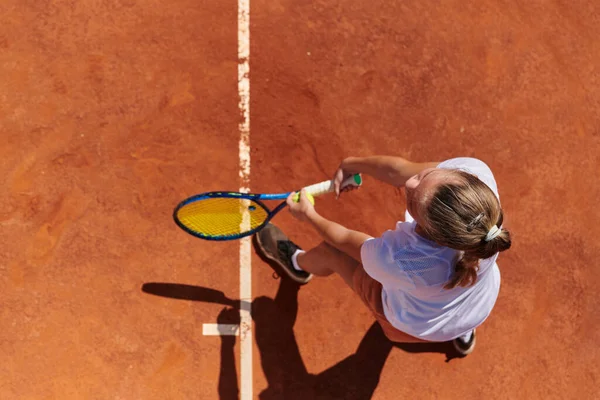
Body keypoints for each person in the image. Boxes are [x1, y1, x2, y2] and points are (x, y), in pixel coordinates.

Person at [255, 156, 511, 356]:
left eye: (414, 200)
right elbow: (402, 170)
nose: (410, 184)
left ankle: (296, 264)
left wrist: (308, 215)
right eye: (425, 177)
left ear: (429, 232)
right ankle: (462, 334)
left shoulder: (405, 259)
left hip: (412, 326)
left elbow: (343, 239)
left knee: (331, 252)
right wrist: (351, 164)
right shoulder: (480, 195)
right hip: (477, 308)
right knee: (453, 294)